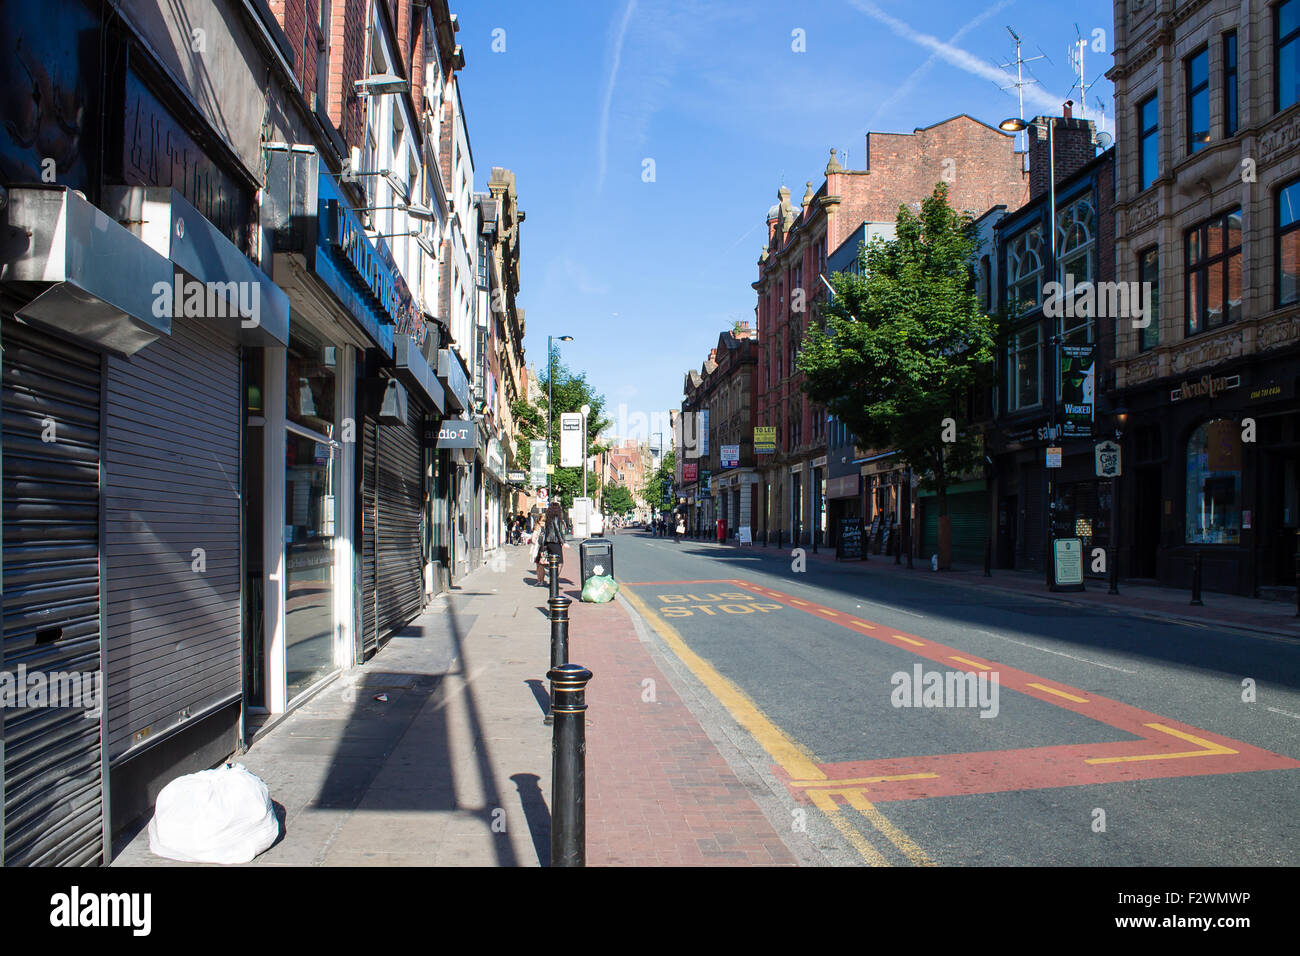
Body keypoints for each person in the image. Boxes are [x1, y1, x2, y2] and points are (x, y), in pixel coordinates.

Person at [535, 500, 570, 587]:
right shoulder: (556, 518)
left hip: (548, 542)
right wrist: (563, 542)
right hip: (555, 542)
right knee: (559, 562)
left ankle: (552, 579)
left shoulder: (548, 518)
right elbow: (558, 530)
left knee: (552, 562)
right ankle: (553, 580)